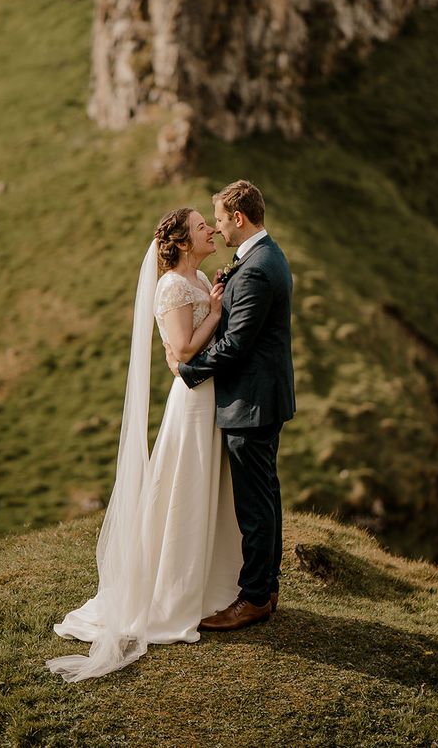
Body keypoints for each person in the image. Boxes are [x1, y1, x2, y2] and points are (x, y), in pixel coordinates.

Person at [45, 208, 242, 682]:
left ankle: (212, 585)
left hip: (212, 396)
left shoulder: (196, 280)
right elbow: (184, 350)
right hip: (193, 401)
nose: (211, 230)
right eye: (201, 227)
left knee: (209, 489)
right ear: (181, 240)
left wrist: (215, 300)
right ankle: (171, 594)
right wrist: (215, 313)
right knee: (184, 492)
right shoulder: (172, 285)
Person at [167, 179, 295, 630]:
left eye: (219, 220)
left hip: (253, 400)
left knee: (255, 503)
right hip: (260, 397)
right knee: (265, 495)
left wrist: (189, 372)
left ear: (238, 218)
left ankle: (255, 596)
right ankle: (267, 584)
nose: (218, 230)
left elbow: (238, 343)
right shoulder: (261, 258)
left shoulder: (259, 266)